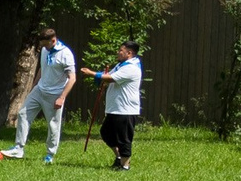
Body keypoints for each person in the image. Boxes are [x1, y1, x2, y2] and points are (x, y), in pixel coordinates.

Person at [9, 26, 76, 163]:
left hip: (55, 94)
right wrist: (34, 87)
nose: (45, 47)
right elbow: (42, 68)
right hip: (39, 90)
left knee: (53, 125)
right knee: (23, 114)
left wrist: (62, 97)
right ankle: (18, 148)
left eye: (46, 44)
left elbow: (72, 78)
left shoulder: (65, 54)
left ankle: (50, 155)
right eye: (42, 45)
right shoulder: (45, 49)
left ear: (53, 40)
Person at [91, 40, 143, 170]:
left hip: (126, 110)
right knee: (106, 133)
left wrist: (91, 73)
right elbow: (108, 76)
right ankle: (119, 157)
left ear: (129, 53)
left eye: (121, 50)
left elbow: (110, 78)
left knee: (123, 138)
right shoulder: (121, 65)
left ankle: (125, 166)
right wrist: (100, 78)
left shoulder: (131, 67)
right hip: (115, 108)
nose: (118, 52)